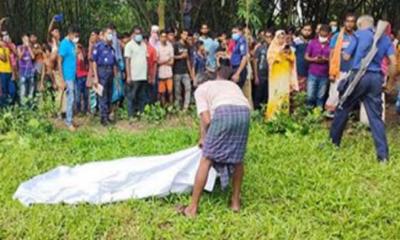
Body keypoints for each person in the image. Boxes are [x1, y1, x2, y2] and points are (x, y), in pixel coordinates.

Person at [177, 66, 251, 218]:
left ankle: (192, 208)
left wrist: (205, 139)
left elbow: (207, 120)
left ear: (198, 83)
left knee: (206, 159)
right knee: (238, 159)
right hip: (245, 112)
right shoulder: (228, 84)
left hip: (224, 111)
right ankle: (235, 202)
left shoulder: (201, 90)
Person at [330, 15, 397, 163]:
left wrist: (342, 52)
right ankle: (383, 157)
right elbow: (393, 62)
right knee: (376, 118)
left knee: (343, 107)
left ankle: (332, 144)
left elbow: (346, 56)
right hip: (375, 78)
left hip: (358, 76)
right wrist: (390, 82)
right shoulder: (385, 38)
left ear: (360, 24)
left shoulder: (358, 34)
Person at [326, 13, 357, 116]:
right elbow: (331, 54)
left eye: (352, 21)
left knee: (349, 92)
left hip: (352, 69)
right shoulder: (336, 36)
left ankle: (345, 113)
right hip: (338, 69)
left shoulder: (357, 37)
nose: (349, 24)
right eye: (348, 21)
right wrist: (331, 72)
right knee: (334, 91)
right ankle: (330, 112)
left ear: (355, 23)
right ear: (344, 23)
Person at [265, 30, 298, 119]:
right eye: (279, 37)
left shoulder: (288, 48)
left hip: (285, 76)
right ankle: (272, 118)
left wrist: (288, 54)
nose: (281, 39)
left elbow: (293, 59)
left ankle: (283, 117)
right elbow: (270, 60)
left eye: (283, 38)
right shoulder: (272, 48)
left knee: (284, 95)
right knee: (275, 95)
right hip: (275, 77)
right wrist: (279, 54)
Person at [92, 27, 117, 125]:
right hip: (101, 71)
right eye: (108, 33)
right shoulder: (98, 46)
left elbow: (114, 62)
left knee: (110, 95)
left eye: (111, 33)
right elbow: (94, 62)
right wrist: (96, 77)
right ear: (104, 34)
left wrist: (115, 75)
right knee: (103, 95)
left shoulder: (112, 48)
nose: (110, 35)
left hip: (110, 71)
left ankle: (108, 115)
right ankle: (103, 118)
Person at [58, 25, 80, 131]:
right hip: (67, 76)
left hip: (73, 74)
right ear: (70, 34)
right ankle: (68, 121)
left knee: (73, 98)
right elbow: (59, 61)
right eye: (75, 36)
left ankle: (70, 118)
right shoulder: (64, 44)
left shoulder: (72, 44)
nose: (77, 38)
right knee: (70, 98)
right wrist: (62, 79)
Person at [124, 26, 149, 117]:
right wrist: (129, 75)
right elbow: (127, 61)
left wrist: (147, 74)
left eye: (140, 33)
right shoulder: (129, 45)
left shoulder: (144, 45)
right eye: (136, 33)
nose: (138, 35)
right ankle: (131, 115)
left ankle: (141, 113)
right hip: (134, 76)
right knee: (132, 96)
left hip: (143, 75)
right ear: (133, 34)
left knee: (142, 96)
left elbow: (146, 59)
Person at [305, 24, 331, 108]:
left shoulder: (331, 44)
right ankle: (309, 112)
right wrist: (314, 59)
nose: (323, 35)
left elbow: (333, 59)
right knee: (310, 95)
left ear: (329, 34)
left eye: (325, 33)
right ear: (319, 32)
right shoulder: (312, 42)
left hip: (324, 74)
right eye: (322, 33)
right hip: (313, 72)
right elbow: (306, 56)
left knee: (321, 96)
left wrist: (325, 59)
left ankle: (318, 114)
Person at [173, 29, 193, 110]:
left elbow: (188, 59)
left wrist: (191, 72)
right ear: (180, 35)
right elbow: (172, 57)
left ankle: (186, 107)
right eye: (184, 34)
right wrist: (181, 56)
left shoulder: (187, 46)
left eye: (187, 34)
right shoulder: (175, 45)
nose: (185, 36)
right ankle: (178, 106)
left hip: (185, 71)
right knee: (177, 90)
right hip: (177, 71)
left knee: (188, 88)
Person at [252, 30, 272, 110]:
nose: (268, 38)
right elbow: (255, 61)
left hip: (270, 75)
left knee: (267, 95)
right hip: (260, 74)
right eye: (267, 37)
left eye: (270, 36)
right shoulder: (260, 48)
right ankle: (256, 112)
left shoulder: (275, 49)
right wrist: (256, 76)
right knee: (258, 95)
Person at [293, 24, 313, 91]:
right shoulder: (296, 41)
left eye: (309, 30)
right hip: (298, 70)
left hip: (310, 71)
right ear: (301, 30)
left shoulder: (313, 42)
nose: (307, 32)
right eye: (305, 30)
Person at [157, 31, 174, 105]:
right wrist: (167, 60)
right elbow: (157, 62)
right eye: (162, 37)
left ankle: (171, 108)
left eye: (165, 36)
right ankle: (164, 108)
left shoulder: (170, 46)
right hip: (161, 74)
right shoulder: (157, 47)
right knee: (162, 93)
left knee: (170, 91)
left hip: (169, 73)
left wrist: (162, 62)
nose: (164, 38)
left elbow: (172, 62)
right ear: (160, 38)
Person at [17, 33, 35, 103]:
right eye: (25, 39)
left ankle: (30, 106)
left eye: (27, 39)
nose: (26, 41)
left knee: (31, 90)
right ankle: (23, 107)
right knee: (23, 90)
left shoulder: (30, 48)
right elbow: (20, 57)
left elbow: (33, 57)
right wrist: (24, 48)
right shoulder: (19, 47)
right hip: (23, 72)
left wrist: (29, 48)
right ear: (22, 40)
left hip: (30, 71)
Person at [75, 44, 89, 115]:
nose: (78, 50)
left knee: (86, 95)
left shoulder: (84, 56)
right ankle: (78, 110)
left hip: (85, 76)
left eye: (80, 48)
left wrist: (82, 58)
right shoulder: (74, 57)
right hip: (78, 77)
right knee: (78, 95)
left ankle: (85, 110)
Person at [0, 33, 14, 107]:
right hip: (2, 72)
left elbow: (10, 61)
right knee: (4, 91)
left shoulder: (7, 48)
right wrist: (3, 49)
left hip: (9, 72)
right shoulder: (2, 49)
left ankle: (9, 105)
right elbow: (4, 59)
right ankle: (4, 107)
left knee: (12, 91)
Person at [144, 34, 157, 103]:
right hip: (142, 74)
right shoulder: (140, 49)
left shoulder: (152, 49)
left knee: (151, 92)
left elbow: (154, 64)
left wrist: (153, 76)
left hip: (150, 73)